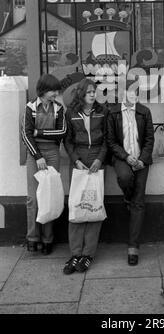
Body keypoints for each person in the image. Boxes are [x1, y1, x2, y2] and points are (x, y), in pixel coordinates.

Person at [107, 79, 154, 266]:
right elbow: (111, 141)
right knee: (125, 178)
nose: (132, 95)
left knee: (139, 202)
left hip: (142, 159)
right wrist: (126, 157)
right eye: (128, 91)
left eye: (135, 91)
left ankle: (133, 247)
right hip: (122, 158)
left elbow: (149, 138)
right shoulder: (113, 112)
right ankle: (127, 197)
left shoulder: (144, 112)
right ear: (122, 93)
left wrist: (142, 159)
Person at [63, 78, 108, 275]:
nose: (92, 95)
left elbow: (108, 139)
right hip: (79, 162)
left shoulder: (102, 111)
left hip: (97, 161)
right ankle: (75, 254)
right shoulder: (71, 113)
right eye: (89, 92)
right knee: (76, 205)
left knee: (94, 205)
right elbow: (68, 140)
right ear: (81, 93)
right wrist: (75, 160)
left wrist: (100, 159)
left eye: (94, 91)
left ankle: (88, 254)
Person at [21, 73, 66, 255]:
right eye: (53, 91)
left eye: (57, 91)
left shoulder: (59, 108)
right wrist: (38, 156)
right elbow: (26, 134)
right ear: (43, 90)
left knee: (49, 197)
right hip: (35, 155)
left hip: (53, 154)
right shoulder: (30, 107)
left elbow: (61, 132)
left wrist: (39, 132)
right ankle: (32, 238)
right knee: (33, 198)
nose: (55, 94)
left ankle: (48, 239)